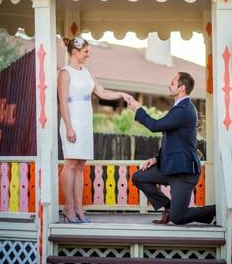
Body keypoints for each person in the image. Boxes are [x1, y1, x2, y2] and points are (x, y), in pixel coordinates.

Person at [58, 35, 131, 223]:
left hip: (85, 121)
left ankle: (79, 209)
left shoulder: (87, 72)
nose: (88, 55)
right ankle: (68, 207)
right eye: (86, 52)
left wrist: (122, 94)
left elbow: (102, 92)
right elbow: (63, 103)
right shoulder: (65, 73)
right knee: (70, 164)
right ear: (75, 52)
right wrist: (68, 127)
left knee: (80, 166)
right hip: (71, 120)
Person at [128, 72, 215, 225]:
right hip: (169, 167)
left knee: (178, 218)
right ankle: (168, 206)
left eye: (172, 83)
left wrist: (138, 109)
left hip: (183, 172)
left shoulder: (184, 109)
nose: (169, 85)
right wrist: (156, 158)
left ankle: (213, 211)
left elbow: (155, 126)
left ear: (182, 88)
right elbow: (173, 141)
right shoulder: (178, 108)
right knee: (138, 177)